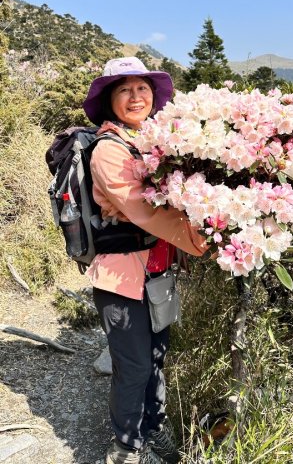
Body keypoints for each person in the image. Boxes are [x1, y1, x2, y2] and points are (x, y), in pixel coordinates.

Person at [83, 57, 206, 464]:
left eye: (142, 88)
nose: (136, 96)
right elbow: (146, 210)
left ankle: (153, 430)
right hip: (121, 279)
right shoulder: (108, 150)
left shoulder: (151, 142)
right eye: (124, 89)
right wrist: (207, 239)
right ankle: (124, 447)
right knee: (134, 365)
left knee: (156, 358)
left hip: (156, 274)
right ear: (109, 101)